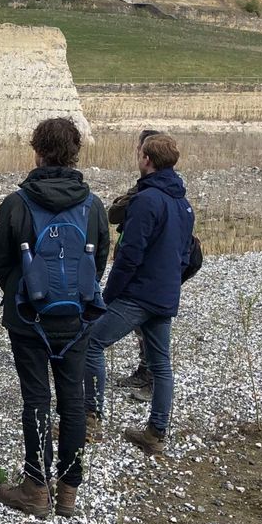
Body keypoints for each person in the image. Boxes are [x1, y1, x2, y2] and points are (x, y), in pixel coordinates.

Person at [0, 118, 109, 518]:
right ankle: (69, 490)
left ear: (37, 151)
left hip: (28, 318)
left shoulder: (16, 203)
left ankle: (36, 488)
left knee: (36, 400)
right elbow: (100, 262)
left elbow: (0, 260)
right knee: (73, 401)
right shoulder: (92, 206)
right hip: (77, 319)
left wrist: (23, 291)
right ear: (75, 152)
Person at [85, 133, 195, 456]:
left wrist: (107, 295)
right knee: (161, 364)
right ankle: (156, 432)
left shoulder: (147, 200)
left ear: (146, 159)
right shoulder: (183, 204)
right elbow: (185, 255)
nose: (138, 156)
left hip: (139, 295)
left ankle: (91, 420)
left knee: (92, 341)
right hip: (164, 295)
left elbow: (129, 255)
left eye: (140, 153)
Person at [108, 129, 162, 393]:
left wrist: (112, 289)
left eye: (139, 150)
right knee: (150, 329)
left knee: (101, 338)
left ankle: (148, 375)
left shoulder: (146, 193)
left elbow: (115, 214)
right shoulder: (170, 191)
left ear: (147, 156)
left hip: (142, 274)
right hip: (157, 274)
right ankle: (150, 373)